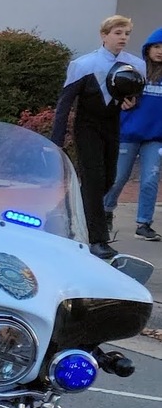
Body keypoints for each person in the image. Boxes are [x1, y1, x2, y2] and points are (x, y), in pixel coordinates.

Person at [51, 15, 146, 259]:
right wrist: (56, 140)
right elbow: (65, 103)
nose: (123, 38)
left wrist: (131, 103)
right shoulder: (84, 64)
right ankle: (97, 239)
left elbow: (135, 98)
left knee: (108, 179)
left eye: (126, 33)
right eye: (117, 33)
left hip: (111, 125)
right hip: (87, 126)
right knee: (93, 178)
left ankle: (66, 214)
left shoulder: (134, 64)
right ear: (104, 35)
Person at [103, 28, 162, 242]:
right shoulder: (136, 71)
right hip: (128, 134)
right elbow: (115, 96)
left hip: (156, 138)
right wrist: (122, 104)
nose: (160, 51)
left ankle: (144, 224)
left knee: (150, 180)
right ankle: (106, 211)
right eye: (156, 47)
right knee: (118, 178)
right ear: (148, 49)